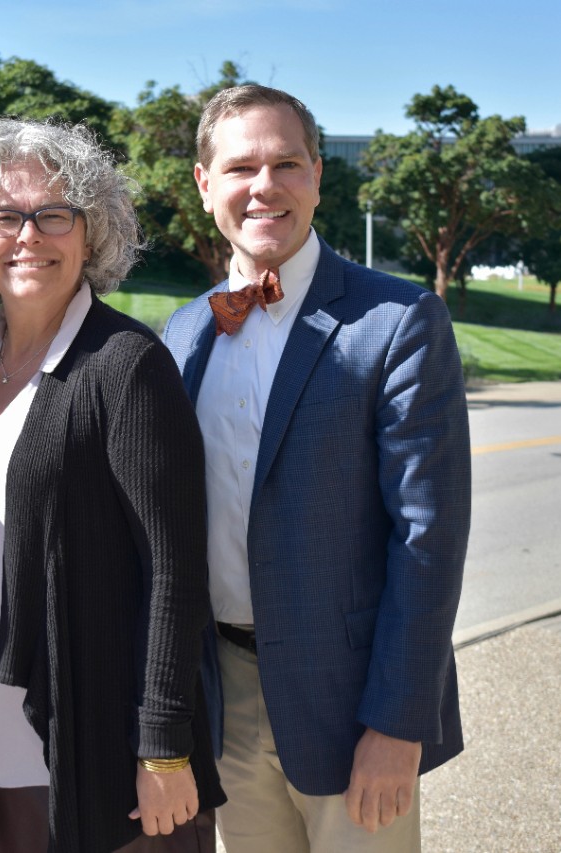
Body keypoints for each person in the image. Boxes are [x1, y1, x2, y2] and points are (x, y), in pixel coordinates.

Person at [162, 84, 471, 853]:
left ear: (317, 177)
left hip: (351, 703)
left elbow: (426, 542)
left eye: (286, 163)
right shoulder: (183, 331)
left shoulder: (398, 323)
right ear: (206, 186)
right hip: (223, 694)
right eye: (240, 168)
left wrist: (397, 725)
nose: (264, 186)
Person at [0, 118, 226, 853]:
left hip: (91, 755)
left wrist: (163, 745)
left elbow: (174, 571)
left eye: (54, 214)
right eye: (4, 216)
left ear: (93, 234)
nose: (28, 235)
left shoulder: (127, 365)